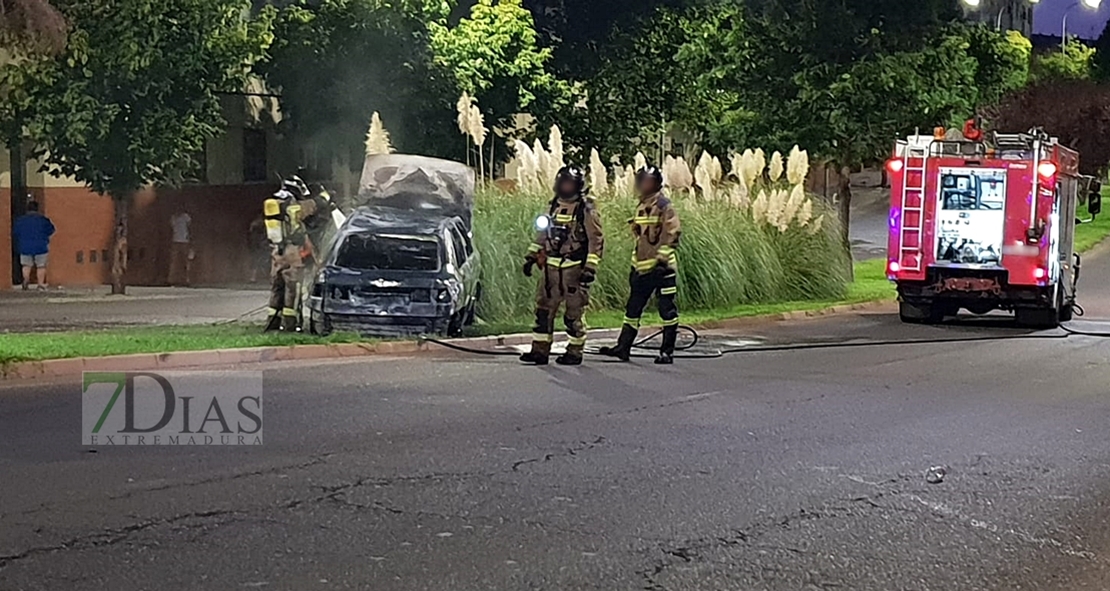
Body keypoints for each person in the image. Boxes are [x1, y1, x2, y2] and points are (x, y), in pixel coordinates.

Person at [519, 166, 605, 366]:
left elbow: (596, 240)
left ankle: (574, 352)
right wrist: (531, 257)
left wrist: (590, 267)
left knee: (573, 313)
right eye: (564, 183)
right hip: (550, 270)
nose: (566, 187)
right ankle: (540, 351)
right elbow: (542, 235)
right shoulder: (552, 207)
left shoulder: (586, 209)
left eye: (570, 184)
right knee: (543, 311)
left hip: (573, 268)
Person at [599, 165, 682, 364]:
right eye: (642, 180)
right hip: (642, 268)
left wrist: (662, 258)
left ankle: (666, 352)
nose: (643, 184)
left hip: (663, 269)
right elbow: (641, 237)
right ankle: (623, 347)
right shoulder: (641, 205)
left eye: (647, 181)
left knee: (667, 311)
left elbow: (673, 232)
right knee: (632, 310)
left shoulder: (664, 205)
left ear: (656, 183)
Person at [263, 175, 325, 332]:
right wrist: (325, 196)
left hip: (277, 251)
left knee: (277, 286)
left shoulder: (275, 202)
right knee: (293, 288)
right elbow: (312, 206)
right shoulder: (293, 205)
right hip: (291, 251)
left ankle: (273, 322)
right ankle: (292, 324)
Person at [12, 200, 55, 291]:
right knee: (41, 266)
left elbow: (15, 232)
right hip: (41, 246)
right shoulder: (43, 220)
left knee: (26, 265)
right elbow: (51, 230)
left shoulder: (20, 220)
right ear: (37, 209)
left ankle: (26, 280)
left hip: (25, 246)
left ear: (27, 209)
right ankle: (40, 284)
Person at [168, 205, 193, 286]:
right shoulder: (173, 218)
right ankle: (171, 279)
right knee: (174, 261)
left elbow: (190, 227)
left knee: (186, 261)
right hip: (175, 240)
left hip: (185, 241)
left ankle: (187, 279)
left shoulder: (186, 217)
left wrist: (190, 238)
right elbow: (171, 228)